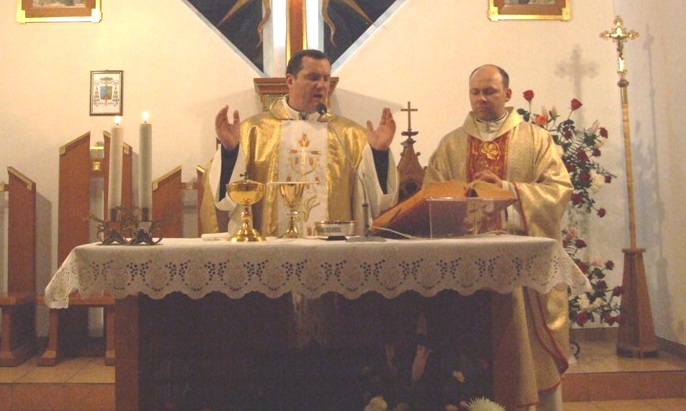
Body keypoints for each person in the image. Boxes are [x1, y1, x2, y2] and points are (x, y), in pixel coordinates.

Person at [422, 64, 573, 411]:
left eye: (489, 91)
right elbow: (431, 199)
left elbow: (558, 191)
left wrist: (506, 190)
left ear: (507, 94)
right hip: (463, 272)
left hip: (520, 277)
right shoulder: (451, 145)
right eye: (475, 92)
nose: (481, 99)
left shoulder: (535, 140)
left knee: (523, 346)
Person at [203, 48, 399, 238]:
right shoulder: (252, 132)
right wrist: (230, 152)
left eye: (326, 78)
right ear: (290, 81)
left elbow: (377, 201)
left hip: (333, 251)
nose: (322, 85)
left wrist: (379, 154)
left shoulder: (350, 135)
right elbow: (224, 201)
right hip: (270, 249)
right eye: (313, 77)